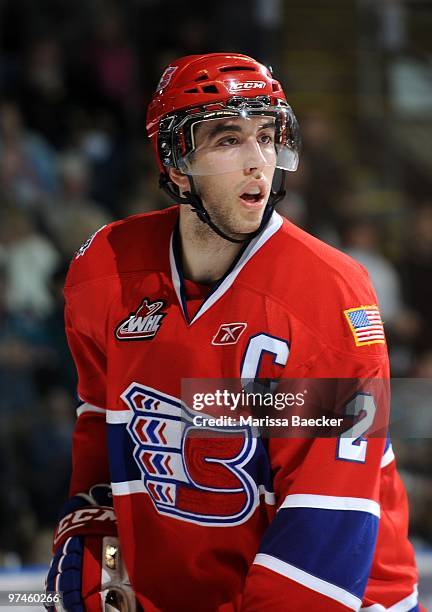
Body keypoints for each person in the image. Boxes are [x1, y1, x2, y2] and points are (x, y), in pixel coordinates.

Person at [46, 53, 420, 611]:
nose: (258, 162)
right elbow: (103, 434)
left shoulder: (328, 295)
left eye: (267, 137)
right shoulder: (105, 271)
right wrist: (99, 565)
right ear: (175, 163)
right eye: (228, 139)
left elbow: (326, 515)